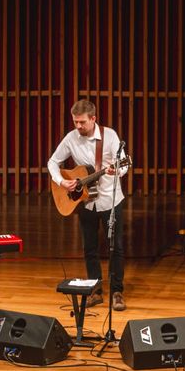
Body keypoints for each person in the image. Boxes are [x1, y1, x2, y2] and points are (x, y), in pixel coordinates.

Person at [48, 99, 128, 311]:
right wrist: (61, 181)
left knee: (116, 247)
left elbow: (124, 164)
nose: (78, 126)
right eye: (75, 122)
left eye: (82, 122)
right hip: (85, 200)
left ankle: (117, 292)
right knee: (89, 248)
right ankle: (95, 290)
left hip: (110, 200)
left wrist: (117, 170)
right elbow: (52, 162)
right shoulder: (71, 138)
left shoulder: (110, 136)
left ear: (93, 119)